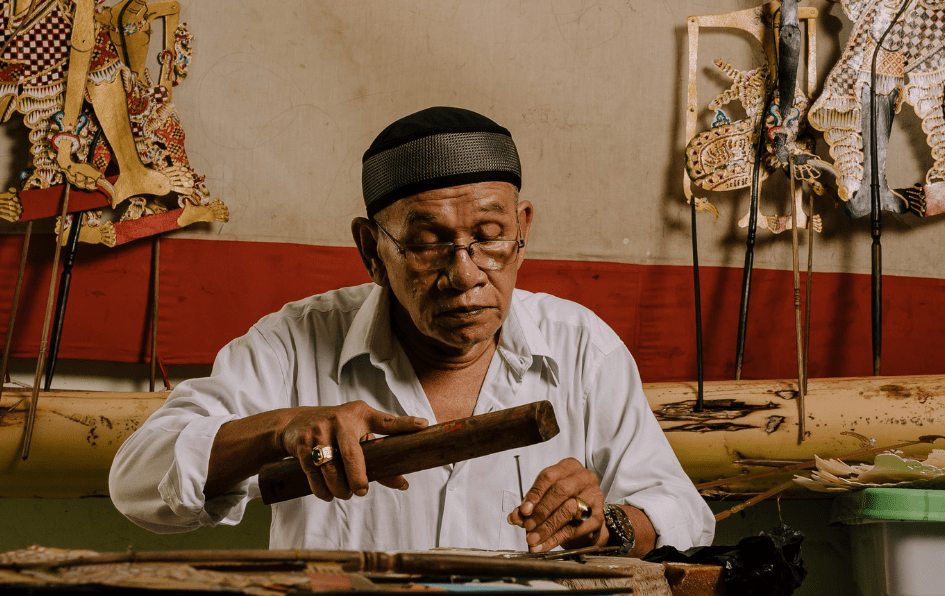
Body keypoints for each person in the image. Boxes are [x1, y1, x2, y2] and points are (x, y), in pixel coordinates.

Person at [109, 107, 715, 554]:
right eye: (428, 244)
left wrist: (604, 526)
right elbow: (138, 485)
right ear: (371, 249)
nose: (465, 273)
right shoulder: (291, 343)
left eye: (489, 236)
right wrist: (281, 429)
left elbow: (683, 511)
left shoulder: (582, 346)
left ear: (523, 228)